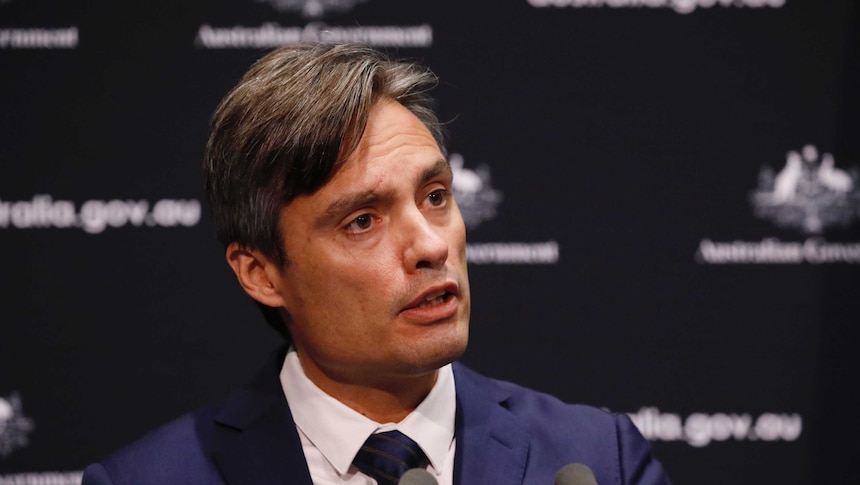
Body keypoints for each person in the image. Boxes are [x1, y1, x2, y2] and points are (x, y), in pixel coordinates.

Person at [82, 43, 673, 485]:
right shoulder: (149, 480)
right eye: (362, 220)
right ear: (261, 273)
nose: (430, 246)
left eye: (435, 196)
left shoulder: (596, 460)